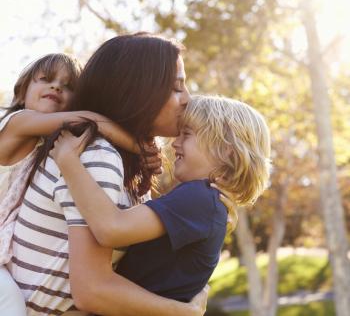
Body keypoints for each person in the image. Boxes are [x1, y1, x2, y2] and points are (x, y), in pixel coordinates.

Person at [7, 33, 208, 316]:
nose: (188, 99)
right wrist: (184, 312)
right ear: (137, 90)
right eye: (176, 88)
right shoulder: (95, 156)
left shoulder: (118, 163)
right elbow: (92, 291)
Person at [51, 94, 271, 302]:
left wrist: (68, 160)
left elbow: (111, 228)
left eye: (187, 134)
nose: (175, 143)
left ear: (226, 151)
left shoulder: (200, 198)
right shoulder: (208, 202)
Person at [0, 52, 156, 316]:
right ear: (21, 92)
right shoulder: (16, 122)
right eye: (46, 79)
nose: (56, 87)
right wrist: (140, 150)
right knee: (12, 306)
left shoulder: (48, 142)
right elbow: (89, 120)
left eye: (68, 86)